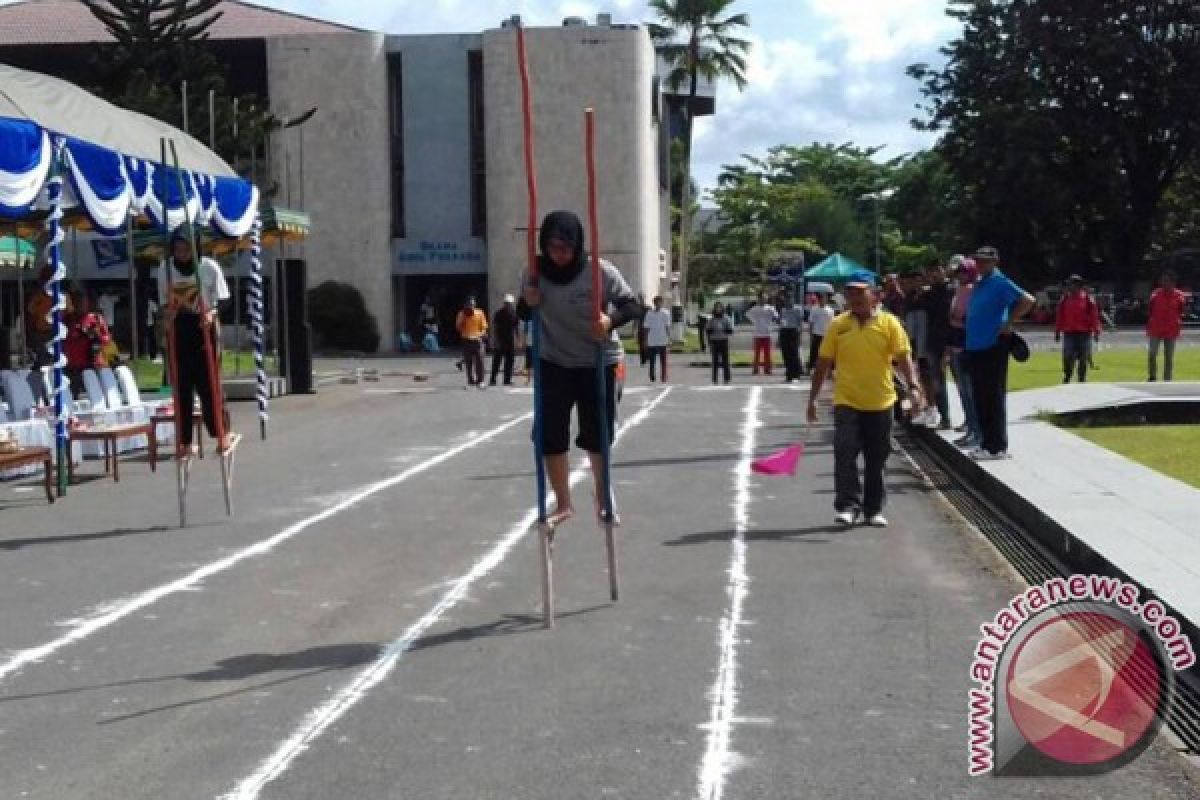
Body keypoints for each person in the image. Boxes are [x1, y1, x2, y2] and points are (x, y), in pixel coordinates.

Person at [520, 209, 642, 529]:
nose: (558, 255)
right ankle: (563, 503)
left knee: (597, 432)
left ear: (577, 245)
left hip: (597, 360)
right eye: (552, 247)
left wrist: (609, 320)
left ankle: (603, 495)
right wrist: (528, 300)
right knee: (549, 434)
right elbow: (523, 311)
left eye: (565, 248)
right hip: (554, 360)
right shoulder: (535, 271)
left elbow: (633, 305)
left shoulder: (599, 270)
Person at [807, 271, 923, 528]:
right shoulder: (838, 325)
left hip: (880, 401)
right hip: (847, 400)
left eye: (860, 292)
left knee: (877, 457)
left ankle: (873, 509)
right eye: (850, 292)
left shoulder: (890, 323)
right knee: (844, 452)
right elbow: (823, 362)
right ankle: (848, 506)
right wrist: (812, 399)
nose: (854, 297)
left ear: (874, 295)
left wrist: (914, 387)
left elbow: (903, 358)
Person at [157, 226, 236, 455]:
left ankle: (221, 432)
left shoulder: (209, 268)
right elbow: (163, 301)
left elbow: (224, 300)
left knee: (208, 383)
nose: (181, 254)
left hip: (204, 328)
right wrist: (168, 312)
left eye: (186, 250)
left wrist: (211, 313)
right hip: (180, 327)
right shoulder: (165, 269)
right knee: (182, 385)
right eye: (178, 250)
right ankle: (184, 440)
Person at [963, 246, 1035, 460]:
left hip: (992, 345)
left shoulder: (999, 282)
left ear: (995, 262)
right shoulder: (979, 283)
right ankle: (986, 442)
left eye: (985, 261)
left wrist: (1008, 322)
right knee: (980, 396)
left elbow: (1027, 300)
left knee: (992, 396)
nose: (981, 264)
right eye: (978, 261)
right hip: (976, 345)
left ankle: (996, 446)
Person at [946, 257, 981, 448]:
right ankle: (970, 427)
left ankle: (976, 430)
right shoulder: (959, 289)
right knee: (963, 390)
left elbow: (965, 317)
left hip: (967, 343)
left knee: (970, 390)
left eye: (963, 272)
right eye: (958, 272)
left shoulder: (971, 290)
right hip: (956, 343)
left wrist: (956, 320)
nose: (959, 275)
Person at [915, 262, 954, 428]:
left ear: (943, 270)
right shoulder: (928, 294)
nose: (934, 274)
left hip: (952, 341)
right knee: (937, 381)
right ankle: (944, 417)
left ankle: (970, 421)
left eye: (937, 270)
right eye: (931, 272)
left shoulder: (952, 290)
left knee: (962, 382)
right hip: (933, 342)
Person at [1054, 274, 1101, 383]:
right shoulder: (1065, 299)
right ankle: (1067, 375)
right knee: (1068, 355)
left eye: (1071, 284)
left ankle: (1082, 379)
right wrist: (1057, 331)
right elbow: (1060, 316)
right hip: (1069, 332)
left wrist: (1096, 331)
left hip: (1084, 333)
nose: (1069, 286)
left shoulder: (1088, 299)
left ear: (1078, 285)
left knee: (1083, 358)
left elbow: (1095, 316)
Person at [1147, 270, 1186, 382]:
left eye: (1166, 281)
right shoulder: (1155, 295)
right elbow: (1150, 310)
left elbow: (1181, 311)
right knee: (1152, 353)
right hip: (1156, 328)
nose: (1163, 283)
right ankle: (1152, 376)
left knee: (1169, 357)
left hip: (1171, 329)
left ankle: (1167, 380)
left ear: (1173, 283)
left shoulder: (1179, 296)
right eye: (1162, 280)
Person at [455, 296, 488, 389]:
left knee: (480, 361)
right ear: (465, 305)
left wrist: (481, 335)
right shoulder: (461, 314)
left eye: (473, 304)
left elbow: (484, 327)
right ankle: (470, 380)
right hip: (466, 339)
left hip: (477, 340)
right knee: (468, 362)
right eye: (469, 305)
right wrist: (463, 318)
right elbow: (458, 327)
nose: (471, 307)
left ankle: (480, 380)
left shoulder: (480, 313)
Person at [489, 293, 519, 386]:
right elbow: (495, 327)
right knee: (497, 361)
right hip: (500, 340)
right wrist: (495, 341)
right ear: (504, 303)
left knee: (509, 361)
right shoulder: (498, 313)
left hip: (510, 340)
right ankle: (493, 380)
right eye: (506, 303)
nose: (508, 305)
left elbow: (516, 327)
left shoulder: (514, 314)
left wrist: (518, 339)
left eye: (509, 303)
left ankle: (507, 380)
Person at [746, 291, 778, 375]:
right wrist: (754, 322)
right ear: (758, 299)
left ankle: (768, 369)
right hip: (757, 333)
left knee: (767, 353)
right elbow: (748, 315)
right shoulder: (754, 309)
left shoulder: (770, 308)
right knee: (757, 353)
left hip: (767, 333)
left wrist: (772, 321)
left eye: (765, 298)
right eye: (761, 298)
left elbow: (776, 317)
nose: (763, 299)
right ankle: (755, 369)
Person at [642, 295, 672, 383]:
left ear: (662, 303)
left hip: (662, 340)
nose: (658, 304)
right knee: (652, 361)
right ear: (654, 303)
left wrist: (669, 338)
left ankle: (664, 376)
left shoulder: (666, 313)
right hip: (652, 340)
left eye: (660, 302)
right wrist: (645, 340)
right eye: (657, 302)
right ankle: (652, 375)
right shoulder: (649, 313)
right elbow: (646, 327)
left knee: (664, 361)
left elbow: (667, 327)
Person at [777, 289, 805, 381]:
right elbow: (781, 323)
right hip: (784, 331)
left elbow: (800, 323)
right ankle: (789, 373)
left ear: (793, 299)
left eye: (790, 299)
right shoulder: (783, 310)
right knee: (786, 354)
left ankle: (796, 374)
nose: (788, 301)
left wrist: (800, 335)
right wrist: (779, 337)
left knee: (794, 354)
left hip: (793, 331)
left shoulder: (797, 309)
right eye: (787, 299)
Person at [807, 289, 835, 372]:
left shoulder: (830, 310)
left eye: (824, 298)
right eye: (821, 298)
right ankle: (811, 368)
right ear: (819, 299)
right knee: (814, 352)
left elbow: (832, 322)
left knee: (827, 353)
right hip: (817, 334)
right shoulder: (814, 309)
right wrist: (811, 334)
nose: (823, 300)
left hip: (826, 334)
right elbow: (811, 322)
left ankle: (830, 369)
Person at [706, 301, 734, 384]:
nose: (718, 309)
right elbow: (707, 330)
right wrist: (711, 331)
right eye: (717, 307)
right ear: (714, 309)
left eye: (720, 307)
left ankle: (727, 378)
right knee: (715, 361)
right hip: (714, 341)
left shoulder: (726, 318)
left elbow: (731, 330)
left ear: (722, 309)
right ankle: (714, 379)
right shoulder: (711, 319)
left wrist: (725, 330)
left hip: (723, 341)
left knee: (726, 361)